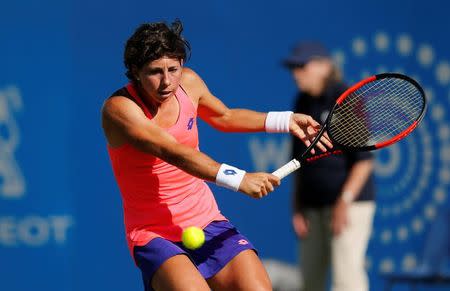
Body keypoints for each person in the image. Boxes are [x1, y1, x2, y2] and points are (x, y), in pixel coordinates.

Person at [101, 20, 332, 291]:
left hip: (206, 219)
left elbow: (225, 116)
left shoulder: (188, 83)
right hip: (154, 234)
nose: (167, 81)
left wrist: (286, 120)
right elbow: (172, 151)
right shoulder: (119, 110)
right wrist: (239, 178)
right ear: (135, 72)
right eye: (154, 72)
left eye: (173, 69)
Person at [283, 42, 376, 291]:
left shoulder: (345, 100)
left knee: (347, 282)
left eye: (302, 66)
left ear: (325, 66)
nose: (296, 73)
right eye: (294, 67)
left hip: (349, 206)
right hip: (311, 208)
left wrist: (344, 201)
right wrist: (297, 207)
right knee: (309, 283)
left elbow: (364, 162)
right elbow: (297, 160)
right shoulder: (302, 101)